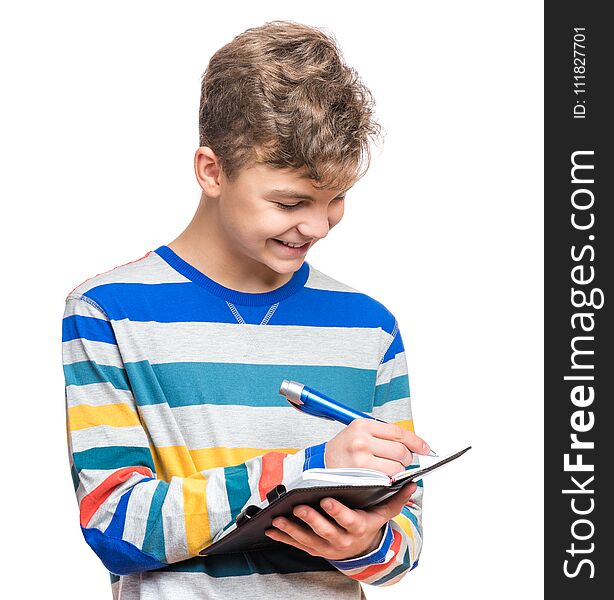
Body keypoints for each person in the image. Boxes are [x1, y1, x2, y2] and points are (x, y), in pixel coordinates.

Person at [61, 20, 431, 600]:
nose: (317, 226)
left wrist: (367, 542)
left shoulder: (369, 326)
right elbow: (114, 523)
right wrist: (298, 471)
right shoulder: (109, 311)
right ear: (212, 171)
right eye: (290, 202)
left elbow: (404, 542)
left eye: (337, 201)